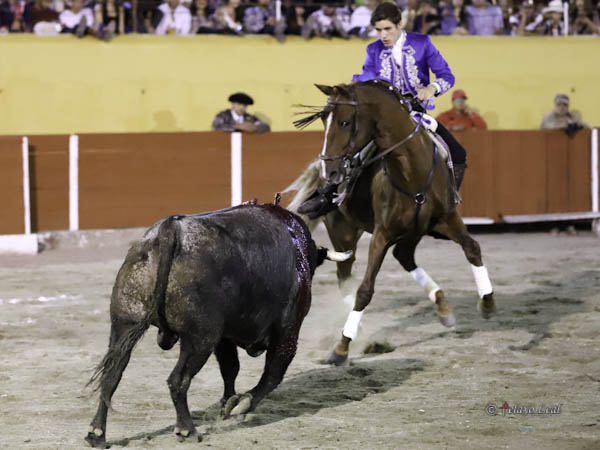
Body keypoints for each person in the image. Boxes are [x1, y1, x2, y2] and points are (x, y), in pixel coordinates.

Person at [298, 2, 467, 218]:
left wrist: (432, 88)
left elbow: (446, 76)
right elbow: (367, 77)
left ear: (399, 24)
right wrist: (347, 89)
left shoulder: (422, 43)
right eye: (378, 30)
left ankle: (447, 198)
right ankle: (327, 195)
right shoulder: (374, 49)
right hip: (383, 118)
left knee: (458, 153)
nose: (383, 35)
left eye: (388, 29)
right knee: (352, 151)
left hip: (416, 112)